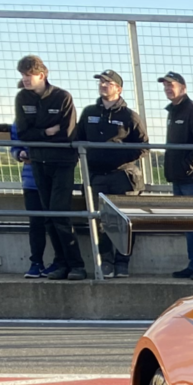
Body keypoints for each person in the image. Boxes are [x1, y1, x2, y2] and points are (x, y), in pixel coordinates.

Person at [12, 55, 85, 280]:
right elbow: (23, 133)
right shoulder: (22, 98)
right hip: (38, 161)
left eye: (28, 75)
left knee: (59, 213)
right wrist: (45, 132)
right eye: (23, 75)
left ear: (41, 75)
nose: (25, 79)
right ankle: (61, 263)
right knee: (48, 215)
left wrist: (42, 133)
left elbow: (66, 133)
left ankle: (77, 265)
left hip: (62, 162)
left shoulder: (62, 97)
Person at [76, 70, 149, 277]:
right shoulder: (89, 112)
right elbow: (78, 139)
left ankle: (122, 262)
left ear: (118, 88)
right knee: (100, 222)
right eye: (101, 81)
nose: (103, 85)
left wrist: (119, 157)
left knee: (124, 221)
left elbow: (143, 146)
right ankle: (105, 262)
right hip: (96, 176)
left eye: (108, 82)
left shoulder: (129, 116)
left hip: (122, 177)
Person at [158, 72, 193, 280]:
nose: (167, 89)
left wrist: (188, 168)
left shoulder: (192, 109)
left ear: (183, 87)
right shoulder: (173, 111)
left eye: (170, 85)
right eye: (165, 86)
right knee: (189, 223)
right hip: (179, 178)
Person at [10, 120, 57, 280]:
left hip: (53, 179)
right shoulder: (21, 120)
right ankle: (36, 262)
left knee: (56, 221)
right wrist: (20, 154)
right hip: (31, 181)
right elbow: (15, 146)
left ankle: (60, 260)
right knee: (36, 223)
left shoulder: (57, 114)